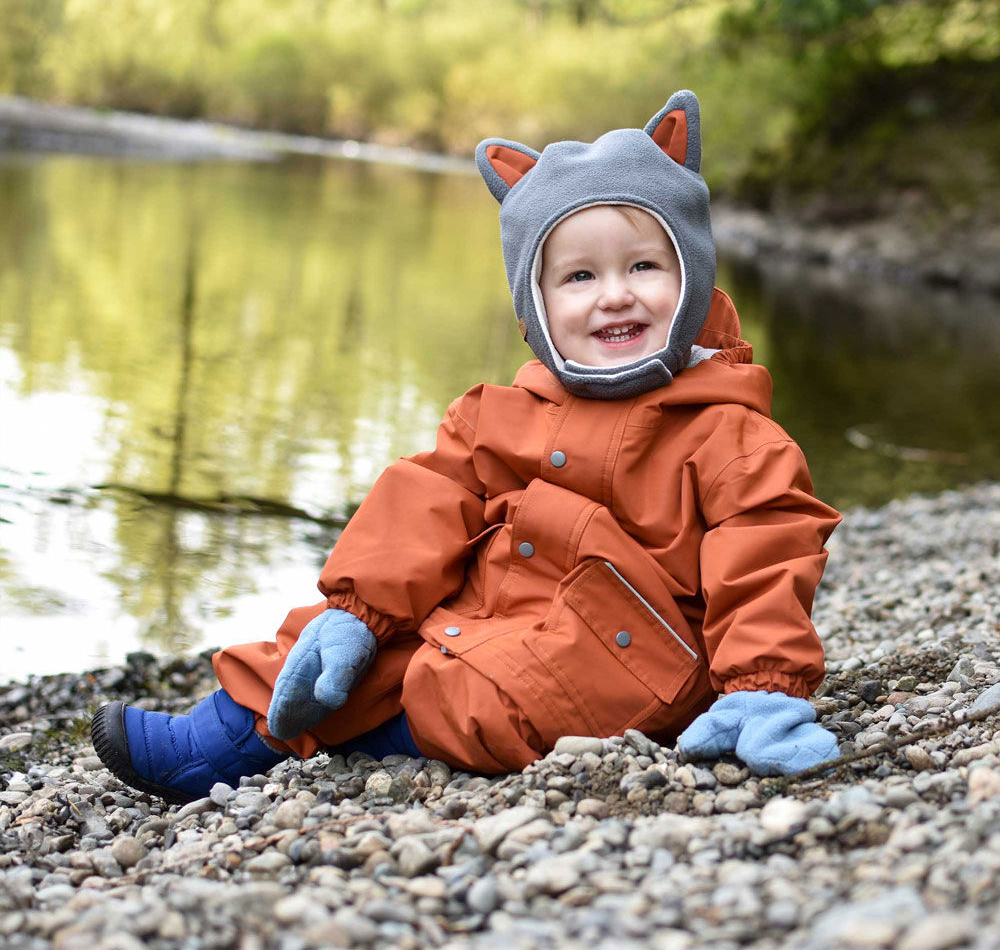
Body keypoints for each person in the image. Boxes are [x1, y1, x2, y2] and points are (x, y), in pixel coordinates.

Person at [91, 90, 842, 805]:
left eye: (644, 266)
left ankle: (365, 739)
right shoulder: (502, 413)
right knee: (341, 646)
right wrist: (359, 608)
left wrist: (760, 687)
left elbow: (765, 555)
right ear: (536, 309)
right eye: (579, 276)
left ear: (692, 276)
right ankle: (224, 734)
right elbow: (425, 501)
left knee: (468, 686)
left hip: (626, 655)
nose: (615, 294)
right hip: (497, 610)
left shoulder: (729, 431)